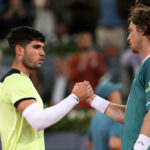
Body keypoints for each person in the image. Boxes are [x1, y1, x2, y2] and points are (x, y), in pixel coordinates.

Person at [0, 26, 94, 150]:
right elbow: (38, 121)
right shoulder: (16, 81)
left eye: (42, 48)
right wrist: (75, 97)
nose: (42, 53)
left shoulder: (20, 80)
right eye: (36, 47)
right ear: (19, 51)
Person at [86, 6, 150, 150]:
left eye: (131, 31)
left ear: (143, 30)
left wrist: (140, 146)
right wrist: (92, 99)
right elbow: (128, 116)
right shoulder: (145, 67)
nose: (128, 37)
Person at [86, 81, 123, 150]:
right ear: (111, 96)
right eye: (116, 92)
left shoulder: (96, 117)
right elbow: (114, 144)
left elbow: (89, 143)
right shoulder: (116, 116)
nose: (119, 93)